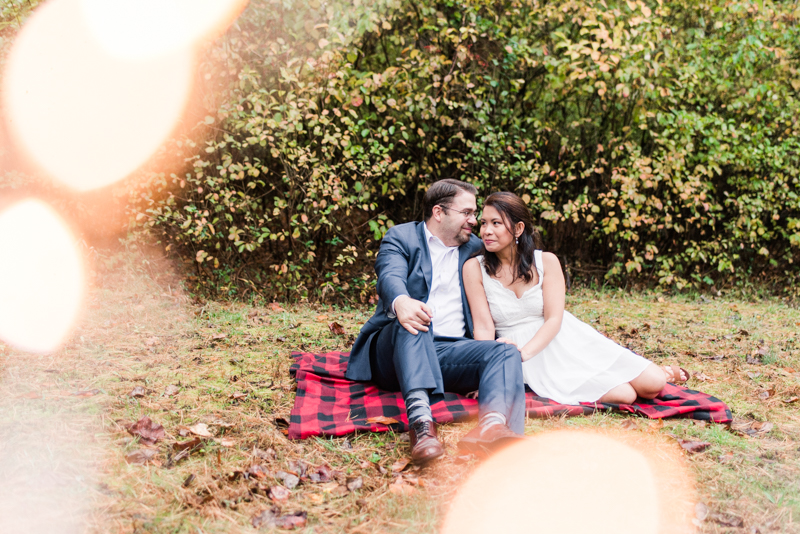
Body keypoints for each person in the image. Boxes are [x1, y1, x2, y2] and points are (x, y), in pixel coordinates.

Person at [346, 180, 527, 463]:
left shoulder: (478, 249)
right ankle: (421, 427)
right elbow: (389, 275)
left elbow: (515, 271)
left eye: (474, 214)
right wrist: (401, 301)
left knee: (505, 351)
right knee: (418, 319)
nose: (474, 220)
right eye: (467, 212)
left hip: (451, 351)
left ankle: (492, 427)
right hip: (396, 350)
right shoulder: (402, 237)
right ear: (439, 212)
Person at [463, 192, 690, 406]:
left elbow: (554, 319)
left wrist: (526, 352)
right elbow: (483, 327)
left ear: (518, 228)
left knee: (654, 383)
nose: (486, 231)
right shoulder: (474, 268)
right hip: (522, 354)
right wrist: (488, 375)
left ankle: (664, 372)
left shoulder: (546, 262)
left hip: (562, 338)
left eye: (496, 223)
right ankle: (619, 377)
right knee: (626, 395)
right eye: (483, 223)